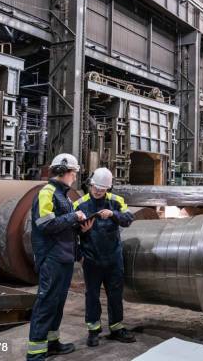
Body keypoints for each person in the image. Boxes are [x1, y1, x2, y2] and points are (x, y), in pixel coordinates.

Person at [27, 153, 94, 360]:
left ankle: (52, 343)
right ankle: (35, 354)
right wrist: (73, 216)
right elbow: (45, 224)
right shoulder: (47, 192)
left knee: (57, 304)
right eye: (73, 173)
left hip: (63, 258)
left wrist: (82, 227)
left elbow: (63, 226)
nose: (74, 177)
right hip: (51, 258)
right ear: (63, 172)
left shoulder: (63, 195)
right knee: (47, 303)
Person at [73, 167, 136, 347]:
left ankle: (117, 328)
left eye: (102, 189)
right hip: (91, 259)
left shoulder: (116, 201)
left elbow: (128, 219)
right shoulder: (80, 204)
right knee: (92, 296)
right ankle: (93, 331)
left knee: (115, 294)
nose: (98, 191)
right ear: (91, 184)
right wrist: (79, 255)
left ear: (108, 188)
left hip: (113, 258)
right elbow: (70, 232)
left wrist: (113, 214)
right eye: (95, 188)